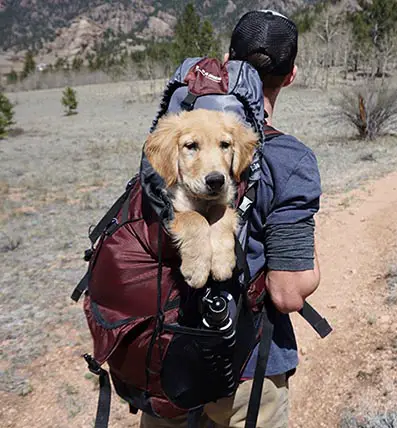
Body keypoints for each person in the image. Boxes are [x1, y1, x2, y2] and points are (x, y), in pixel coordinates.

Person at [141, 9, 322, 428]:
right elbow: (289, 292)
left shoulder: (175, 139)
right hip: (243, 372)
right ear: (291, 74)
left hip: (164, 358)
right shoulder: (291, 160)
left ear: (228, 62)